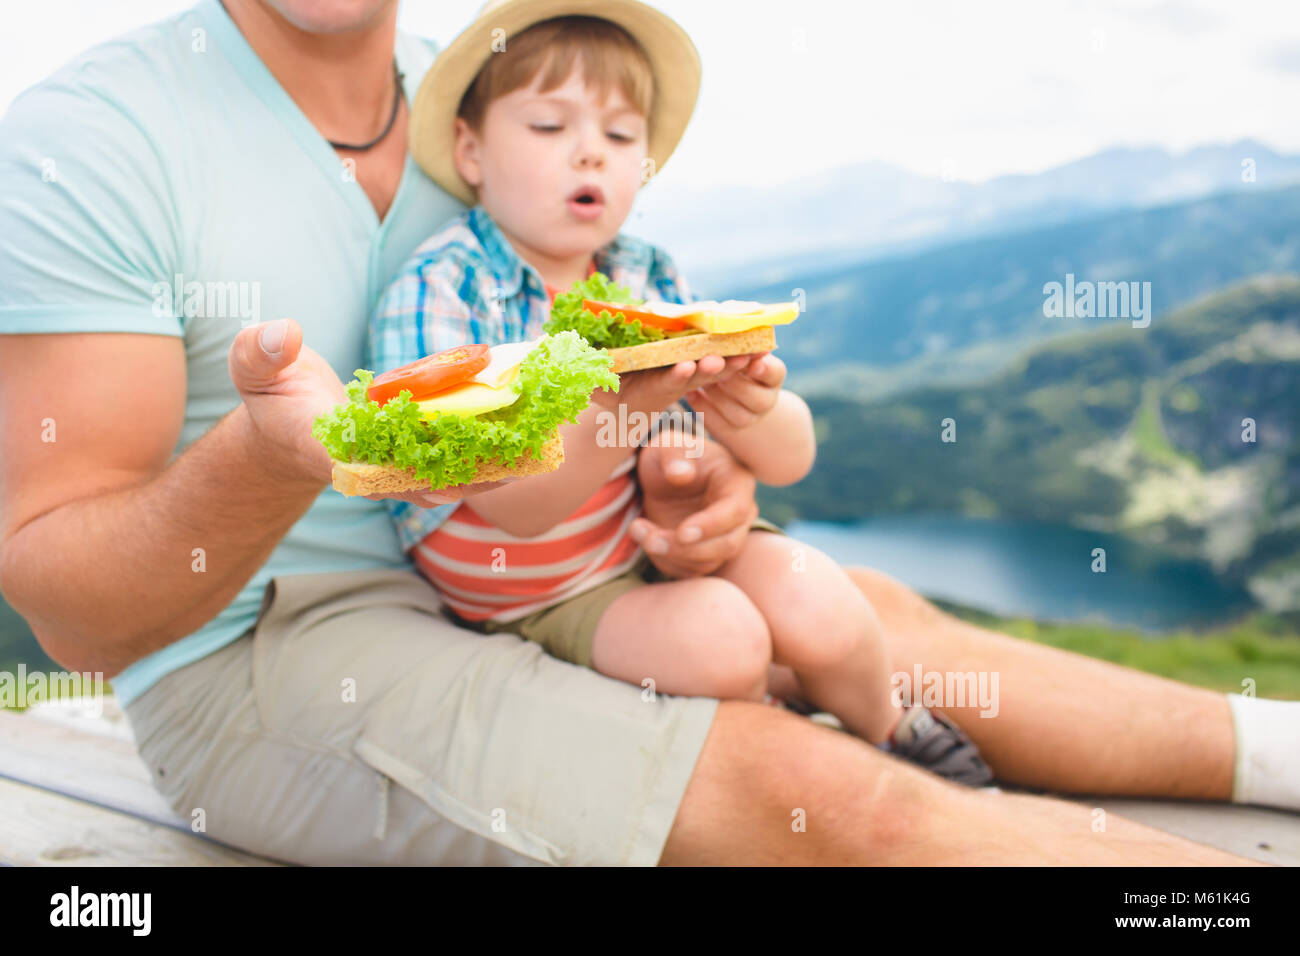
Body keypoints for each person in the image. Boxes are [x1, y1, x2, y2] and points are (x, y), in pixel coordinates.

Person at [0, 0, 1291, 866]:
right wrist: (267, 463)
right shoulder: (98, 143)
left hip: (561, 562)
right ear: (486, 142)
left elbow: (620, 394)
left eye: (613, 138)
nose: (588, 151)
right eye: (566, 133)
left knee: (871, 609)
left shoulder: (498, 94)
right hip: (277, 648)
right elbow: (74, 612)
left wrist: (705, 472)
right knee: (830, 798)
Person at [368, 10, 993, 785]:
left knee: (823, 603)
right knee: (723, 641)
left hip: (651, 538)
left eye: (623, 137)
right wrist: (628, 406)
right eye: (549, 124)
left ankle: (894, 731)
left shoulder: (644, 276)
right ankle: (796, 729)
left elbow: (791, 460)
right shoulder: (443, 291)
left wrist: (753, 406)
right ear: (471, 150)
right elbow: (510, 508)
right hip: (545, 586)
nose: (591, 150)